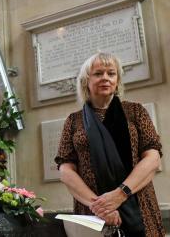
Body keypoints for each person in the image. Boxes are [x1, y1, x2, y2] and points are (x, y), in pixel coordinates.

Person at [55, 52, 165, 236]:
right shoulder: (74, 121)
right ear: (86, 81)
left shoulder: (135, 112)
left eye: (111, 73)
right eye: (98, 73)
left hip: (138, 206)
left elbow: (153, 158)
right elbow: (66, 171)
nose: (105, 78)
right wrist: (100, 207)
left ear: (117, 80)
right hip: (93, 213)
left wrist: (120, 195)